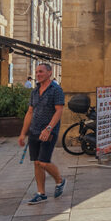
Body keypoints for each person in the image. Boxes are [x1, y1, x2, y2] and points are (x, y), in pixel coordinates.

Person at [18, 63, 65, 205]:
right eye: (37, 72)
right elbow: (30, 112)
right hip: (34, 131)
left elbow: (59, 111)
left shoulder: (56, 90)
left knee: (43, 162)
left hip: (48, 132)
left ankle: (60, 181)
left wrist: (49, 128)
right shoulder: (34, 91)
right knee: (37, 163)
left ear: (49, 73)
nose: (38, 74)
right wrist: (22, 133)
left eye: (41, 72)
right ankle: (41, 193)